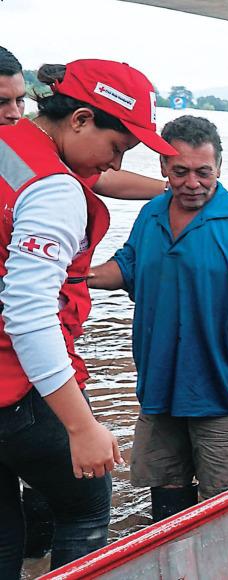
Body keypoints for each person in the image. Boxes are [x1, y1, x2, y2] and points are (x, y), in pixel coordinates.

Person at [0, 59, 177, 577]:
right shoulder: (55, 192)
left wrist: (170, 191)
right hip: (15, 391)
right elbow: (29, 314)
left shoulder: (11, 147)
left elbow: (101, 177)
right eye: (118, 147)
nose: (114, 162)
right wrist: (81, 427)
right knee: (85, 505)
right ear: (79, 120)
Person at [89, 115, 228, 521]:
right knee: (165, 494)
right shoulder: (152, 213)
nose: (192, 183)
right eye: (180, 172)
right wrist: (76, 276)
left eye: (203, 172)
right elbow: (128, 266)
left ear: (219, 168)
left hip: (222, 391)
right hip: (160, 386)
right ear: (163, 166)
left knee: (219, 505)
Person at [0, 46, 166, 201]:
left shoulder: (44, 155)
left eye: (20, 100)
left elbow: (103, 179)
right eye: (115, 149)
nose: (15, 114)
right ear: (80, 120)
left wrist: (176, 189)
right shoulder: (53, 186)